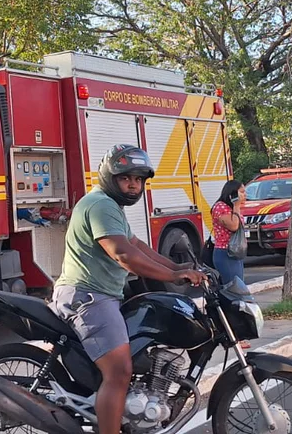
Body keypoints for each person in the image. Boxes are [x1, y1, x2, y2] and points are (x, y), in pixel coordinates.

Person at [51, 145, 207, 434]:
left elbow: (138, 247)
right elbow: (123, 254)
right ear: (111, 177)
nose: (133, 184)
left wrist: (178, 268)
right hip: (88, 297)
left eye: (138, 179)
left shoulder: (112, 208)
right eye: (126, 178)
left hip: (101, 296)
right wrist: (173, 275)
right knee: (119, 372)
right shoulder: (101, 205)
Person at [209, 180, 250, 348]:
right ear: (232, 193)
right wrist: (237, 206)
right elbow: (233, 225)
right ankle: (233, 335)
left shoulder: (231, 208)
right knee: (233, 293)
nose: (244, 195)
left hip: (235, 254)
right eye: (241, 192)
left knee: (239, 292)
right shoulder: (220, 207)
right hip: (225, 254)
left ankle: (237, 333)